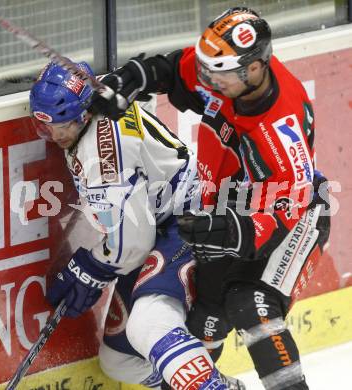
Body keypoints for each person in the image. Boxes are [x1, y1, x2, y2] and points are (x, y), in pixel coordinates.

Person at [90, 6, 331, 390]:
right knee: (200, 330)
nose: (203, 78)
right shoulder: (226, 75)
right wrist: (131, 80)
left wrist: (225, 230)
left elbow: (281, 215)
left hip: (294, 219)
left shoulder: (277, 131)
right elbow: (173, 70)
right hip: (230, 212)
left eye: (214, 72)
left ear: (253, 70)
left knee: (250, 304)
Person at [29, 60, 246, 390]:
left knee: (150, 322)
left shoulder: (99, 158)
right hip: (162, 223)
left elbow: (130, 243)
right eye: (45, 128)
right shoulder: (106, 95)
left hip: (193, 220)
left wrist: (89, 268)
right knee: (120, 362)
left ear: (84, 115)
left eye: (64, 125)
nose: (56, 135)